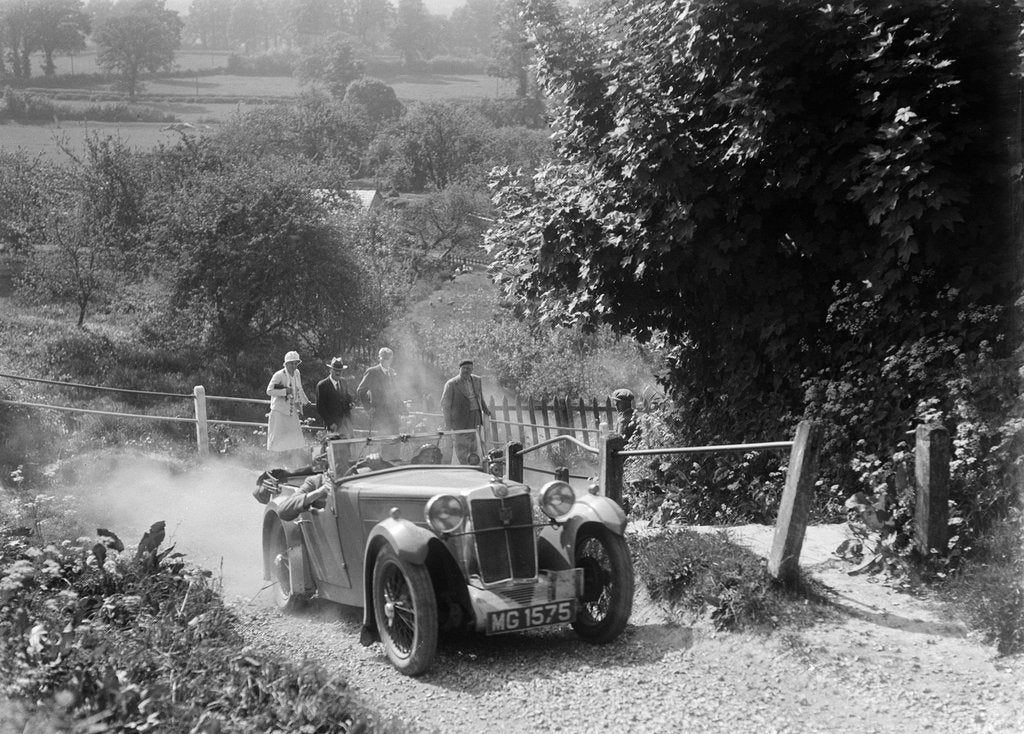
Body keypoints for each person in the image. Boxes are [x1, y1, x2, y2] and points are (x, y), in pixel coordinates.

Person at [440, 359, 491, 464]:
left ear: (472, 370)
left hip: (475, 416)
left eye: (469, 369)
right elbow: (445, 405)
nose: (466, 371)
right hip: (460, 419)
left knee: (475, 443)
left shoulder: (477, 380)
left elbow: (479, 396)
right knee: (462, 445)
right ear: (459, 369)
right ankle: (465, 466)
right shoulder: (451, 384)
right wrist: (447, 424)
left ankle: (475, 465)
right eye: (464, 368)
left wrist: (485, 408)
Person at [266, 350, 311, 465]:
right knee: (278, 443)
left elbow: (299, 389)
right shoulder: (279, 375)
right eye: (291, 363)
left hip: (291, 412)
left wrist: (306, 402)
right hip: (279, 412)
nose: (294, 366)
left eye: (296, 363)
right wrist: (285, 391)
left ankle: (293, 465)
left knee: (295, 441)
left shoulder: (297, 373)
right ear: (285, 364)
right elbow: (269, 391)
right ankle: (276, 466)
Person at [356, 347, 406, 436]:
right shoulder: (372, 372)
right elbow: (361, 390)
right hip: (380, 416)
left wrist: (402, 407)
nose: (387, 361)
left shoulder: (392, 372)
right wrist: (368, 407)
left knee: (395, 440)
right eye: (385, 358)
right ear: (379, 358)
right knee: (383, 441)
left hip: (393, 415)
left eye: (389, 358)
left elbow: (395, 393)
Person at [317, 357, 355, 438]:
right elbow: (320, 407)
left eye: (340, 370)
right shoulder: (322, 385)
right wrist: (330, 423)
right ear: (330, 370)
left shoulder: (343, 382)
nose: (338, 372)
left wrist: (350, 402)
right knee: (335, 444)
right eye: (335, 370)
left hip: (346, 422)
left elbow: (347, 396)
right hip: (333, 424)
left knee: (350, 443)